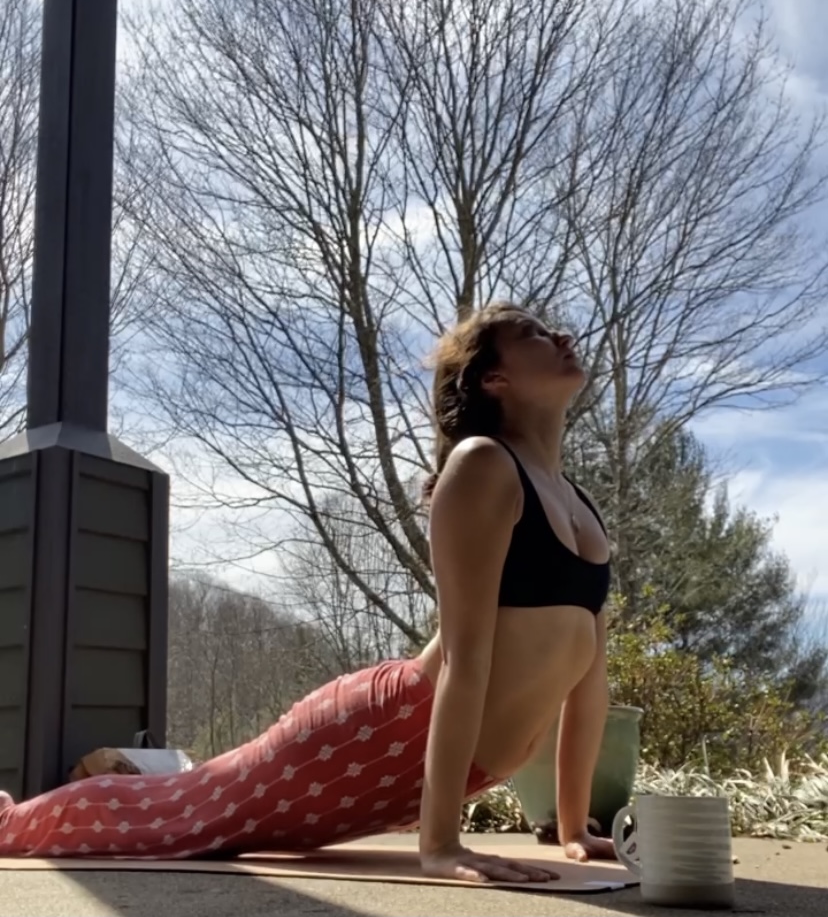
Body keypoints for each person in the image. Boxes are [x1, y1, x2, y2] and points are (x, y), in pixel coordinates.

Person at [0, 301, 614, 884]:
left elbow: (587, 678)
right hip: (378, 733)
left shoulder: (581, 506)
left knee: (181, 810)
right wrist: (441, 843)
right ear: (493, 379)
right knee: (177, 814)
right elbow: (464, 657)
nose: (560, 336)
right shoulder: (484, 464)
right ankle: (10, 823)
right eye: (532, 333)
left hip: (432, 767)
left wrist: (573, 827)